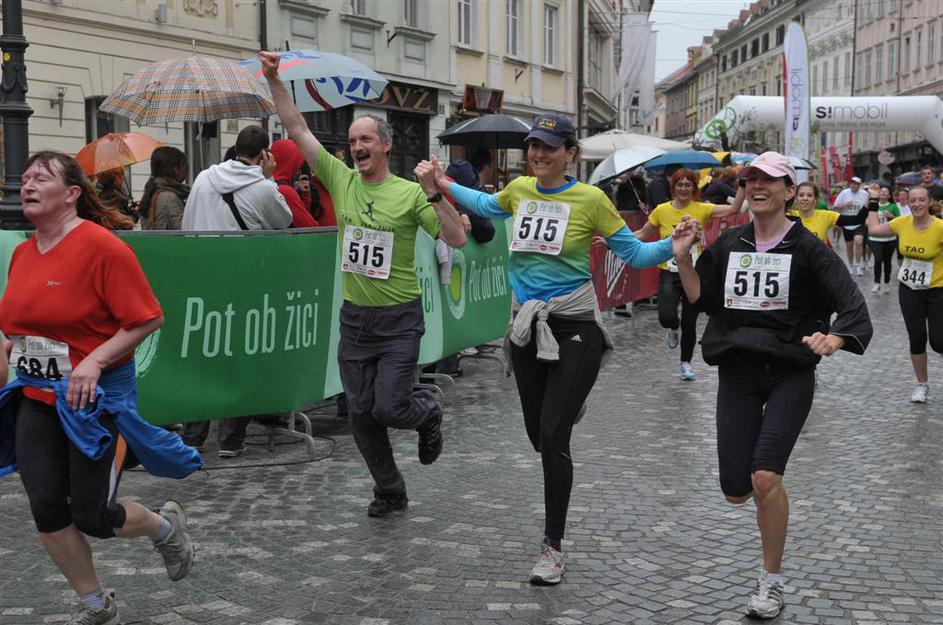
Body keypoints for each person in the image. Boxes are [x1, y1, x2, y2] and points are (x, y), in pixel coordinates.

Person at [424, 112, 692, 586]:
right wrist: (441, 182)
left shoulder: (591, 199)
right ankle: (566, 400)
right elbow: (483, 203)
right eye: (533, 146)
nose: (538, 154)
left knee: (552, 436)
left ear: (570, 152)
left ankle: (552, 546)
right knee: (537, 435)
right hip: (528, 325)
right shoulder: (519, 190)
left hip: (574, 325)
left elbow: (634, 254)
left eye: (549, 147)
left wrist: (676, 243)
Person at [261, 51, 467, 518]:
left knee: (390, 407)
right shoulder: (340, 179)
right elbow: (296, 128)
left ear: (385, 146)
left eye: (366, 139)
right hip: (355, 320)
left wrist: (435, 193)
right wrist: (275, 80)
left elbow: (456, 238)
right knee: (360, 414)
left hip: (399, 320)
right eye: (353, 140)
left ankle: (428, 413)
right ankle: (389, 489)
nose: (357, 146)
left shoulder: (411, 193)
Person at [0, 151, 201, 625]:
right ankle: (96, 604)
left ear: (72, 194)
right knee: (47, 509)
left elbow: (148, 318)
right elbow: (17, 330)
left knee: (94, 516)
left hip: (94, 404)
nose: (27, 185)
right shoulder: (23, 253)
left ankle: (165, 527)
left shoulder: (102, 247)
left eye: (41, 178)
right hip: (36, 399)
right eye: (25, 178)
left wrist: (93, 361)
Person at [672, 151, 872, 619]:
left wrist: (835, 337)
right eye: (751, 179)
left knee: (765, 475)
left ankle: (770, 581)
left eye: (770, 180)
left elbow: (852, 305)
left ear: (789, 192)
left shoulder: (809, 249)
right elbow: (701, 296)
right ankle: (759, 500)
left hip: (789, 372)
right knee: (735, 490)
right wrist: (682, 258)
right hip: (738, 371)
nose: (758, 186)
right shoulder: (732, 242)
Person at [180, 125, 293, 457]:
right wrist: (269, 178)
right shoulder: (262, 187)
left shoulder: (203, 178)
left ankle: (193, 435)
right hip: (241, 281)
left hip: (200, 280)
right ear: (263, 154)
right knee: (238, 358)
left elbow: (187, 224)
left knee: (201, 358)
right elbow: (283, 220)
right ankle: (230, 439)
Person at [632, 168, 743, 381]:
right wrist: (613, 242)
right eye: (679, 185)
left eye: (688, 185)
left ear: (693, 188)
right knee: (666, 316)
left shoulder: (701, 208)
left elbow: (735, 208)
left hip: (693, 273)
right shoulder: (661, 210)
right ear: (673, 188)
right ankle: (672, 327)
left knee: (690, 322)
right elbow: (643, 234)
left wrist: (744, 184)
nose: (683, 189)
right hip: (669, 272)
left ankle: (686, 363)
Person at [867, 185, 943, 403]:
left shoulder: (939, 227)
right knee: (917, 338)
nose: (917, 204)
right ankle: (922, 385)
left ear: (929, 202)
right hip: (909, 290)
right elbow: (873, 229)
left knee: (939, 342)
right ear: (908, 203)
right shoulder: (901, 223)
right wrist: (873, 201)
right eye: (913, 200)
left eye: (921, 200)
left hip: (937, 290)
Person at [791, 182, 867, 244]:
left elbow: (857, 219)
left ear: (815, 199)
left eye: (809, 195)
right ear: (796, 198)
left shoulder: (825, 216)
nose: (805, 198)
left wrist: (870, 201)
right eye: (801, 195)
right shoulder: (789, 216)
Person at [138, 146, 190, 230]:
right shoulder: (168, 197)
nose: (187, 169)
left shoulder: (152, 190)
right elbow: (184, 230)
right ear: (175, 169)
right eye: (185, 164)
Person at [270, 138, 318, 227]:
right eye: (298, 165)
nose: (298, 170)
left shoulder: (265, 183)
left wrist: (305, 196)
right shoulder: (285, 191)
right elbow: (309, 227)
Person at [833, 176, 871, 276]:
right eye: (853, 184)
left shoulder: (865, 194)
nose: (854, 186)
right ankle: (850, 265)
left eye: (857, 184)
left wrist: (868, 218)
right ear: (850, 184)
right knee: (849, 246)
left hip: (859, 222)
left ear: (860, 185)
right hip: (847, 222)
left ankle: (858, 265)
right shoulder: (844, 193)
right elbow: (835, 207)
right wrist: (844, 204)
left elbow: (869, 207)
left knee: (859, 241)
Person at [868, 184, 900, 294]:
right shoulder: (873, 205)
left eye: (886, 192)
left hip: (889, 238)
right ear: (878, 193)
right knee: (878, 259)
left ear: (889, 195)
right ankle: (876, 283)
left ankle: (886, 283)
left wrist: (891, 216)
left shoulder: (893, 206)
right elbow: (867, 219)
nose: (883, 193)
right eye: (881, 191)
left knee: (887, 261)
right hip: (875, 238)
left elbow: (899, 221)